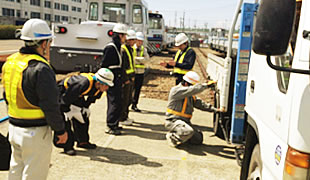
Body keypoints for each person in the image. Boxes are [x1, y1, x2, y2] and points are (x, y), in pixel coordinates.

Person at [1, 19, 68, 180]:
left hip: (14, 128)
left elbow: (7, 95)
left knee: (16, 169)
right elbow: (50, 105)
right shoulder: (41, 68)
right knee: (34, 174)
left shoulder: (11, 62)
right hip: (35, 134)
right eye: (49, 42)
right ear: (43, 43)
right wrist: (60, 130)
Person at [54, 68, 114, 155]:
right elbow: (66, 98)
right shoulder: (83, 83)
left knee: (82, 117)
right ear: (99, 83)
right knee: (65, 121)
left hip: (76, 94)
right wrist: (65, 110)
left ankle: (82, 141)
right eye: (106, 85)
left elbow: (93, 97)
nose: (107, 88)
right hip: (63, 92)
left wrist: (86, 106)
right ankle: (67, 146)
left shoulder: (99, 88)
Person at [164, 71, 220, 147]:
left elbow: (201, 104)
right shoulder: (176, 91)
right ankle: (172, 137)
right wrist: (206, 86)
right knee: (188, 131)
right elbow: (193, 90)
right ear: (186, 83)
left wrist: (215, 110)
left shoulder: (190, 95)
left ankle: (182, 135)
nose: (193, 88)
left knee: (198, 139)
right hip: (173, 121)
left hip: (185, 122)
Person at [101, 23, 127, 135]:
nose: (125, 38)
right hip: (112, 79)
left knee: (118, 101)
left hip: (117, 78)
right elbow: (104, 65)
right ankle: (110, 125)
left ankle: (115, 123)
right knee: (113, 102)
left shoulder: (118, 47)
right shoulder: (110, 48)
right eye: (124, 35)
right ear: (120, 35)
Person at [119, 29, 136, 125]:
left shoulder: (130, 49)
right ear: (128, 40)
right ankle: (122, 118)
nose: (134, 42)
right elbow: (123, 66)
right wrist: (126, 79)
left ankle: (126, 116)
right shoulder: (123, 50)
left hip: (130, 77)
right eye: (133, 39)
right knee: (124, 99)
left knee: (129, 99)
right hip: (126, 79)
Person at [131, 32, 150, 112]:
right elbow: (131, 59)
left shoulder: (143, 49)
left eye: (141, 41)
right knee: (130, 89)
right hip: (133, 72)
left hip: (140, 73)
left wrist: (137, 59)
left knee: (137, 89)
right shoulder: (131, 48)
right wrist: (140, 59)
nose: (140, 42)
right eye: (139, 41)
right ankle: (128, 103)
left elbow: (147, 59)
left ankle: (134, 104)